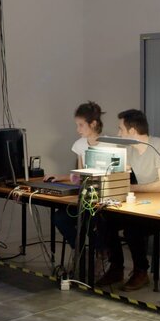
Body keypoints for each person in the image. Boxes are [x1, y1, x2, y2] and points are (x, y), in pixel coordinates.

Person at [94, 109, 160, 291]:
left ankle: (141, 271)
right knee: (104, 218)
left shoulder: (159, 145)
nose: (118, 133)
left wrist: (131, 188)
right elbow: (119, 174)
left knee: (132, 229)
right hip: (142, 203)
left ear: (132, 131)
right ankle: (116, 268)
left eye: (120, 129)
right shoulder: (129, 149)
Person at [52, 101, 105, 250]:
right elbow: (80, 174)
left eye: (81, 125)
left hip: (101, 200)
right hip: (85, 198)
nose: (78, 129)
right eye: (77, 125)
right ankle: (79, 251)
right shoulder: (80, 144)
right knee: (59, 218)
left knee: (93, 222)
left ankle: (100, 252)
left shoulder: (110, 144)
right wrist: (63, 177)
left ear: (93, 124)